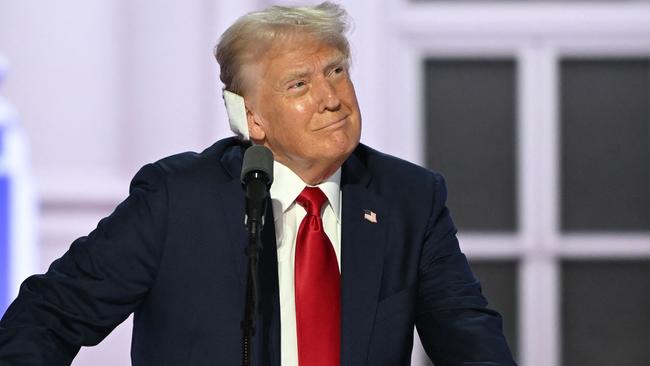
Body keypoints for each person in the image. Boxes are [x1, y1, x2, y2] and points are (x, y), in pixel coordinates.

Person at [0, 2, 517, 365]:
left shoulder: (408, 197)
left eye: (336, 72)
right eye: (300, 84)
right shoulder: (176, 199)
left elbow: (468, 337)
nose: (332, 98)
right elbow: (49, 314)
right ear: (250, 117)